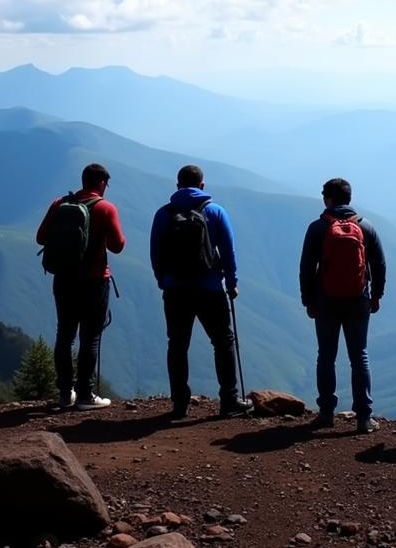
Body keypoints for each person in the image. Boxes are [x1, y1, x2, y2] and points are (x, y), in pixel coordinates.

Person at [150, 164, 251, 419]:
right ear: (202, 185)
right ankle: (229, 400)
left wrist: (164, 280)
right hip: (210, 290)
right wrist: (231, 283)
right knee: (223, 342)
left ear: (177, 186)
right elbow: (228, 251)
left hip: (175, 291)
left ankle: (180, 404)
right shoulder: (215, 211)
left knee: (177, 345)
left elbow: (156, 252)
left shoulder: (164, 214)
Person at [299, 177, 386, 434]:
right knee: (359, 355)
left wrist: (308, 300)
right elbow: (379, 264)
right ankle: (364, 417)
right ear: (349, 198)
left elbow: (306, 268)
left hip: (325, 300)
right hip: (358, 299)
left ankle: (326, 413)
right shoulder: (367, 227)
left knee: (326, 355)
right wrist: (376, 295)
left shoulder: (317, 228)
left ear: (327, 199)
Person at [36, 162, 125, 410]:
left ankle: (66, 394)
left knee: (64, 336)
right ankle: (86, 395)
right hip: (95, 281)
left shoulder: (60, 204)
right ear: (101, 183)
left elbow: (41, 237)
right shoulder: (106, 208)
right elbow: (117, 246)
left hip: (63, 279)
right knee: (90, 337)